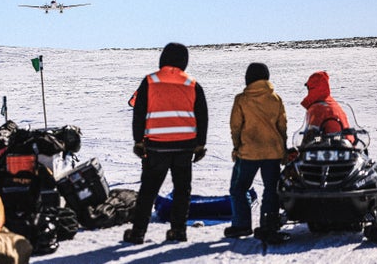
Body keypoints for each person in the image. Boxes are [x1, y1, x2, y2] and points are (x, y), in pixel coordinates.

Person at [123, 43, 208, 244]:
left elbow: (139, 113)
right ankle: (178, 231)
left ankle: (138, 233)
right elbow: (202, 116)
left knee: (148, 190)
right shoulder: (192, 84)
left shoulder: (150, 81)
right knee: (182, 190)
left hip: (156, 146)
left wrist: (138, 141)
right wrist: (200, 144)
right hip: (185, 146)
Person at [224, 63, 290, 244]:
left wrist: (237, 147)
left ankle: (241, 224)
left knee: (239, 188)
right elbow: (282, 126)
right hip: (273, 152)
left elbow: (235, 126)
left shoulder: (242, 99)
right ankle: (269, 224)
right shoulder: (276, 99)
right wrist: (283, 149)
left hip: (248, 153)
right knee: (271, 189)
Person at [300, 71, 350, 141]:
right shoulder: (333, 104)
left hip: (328, 148)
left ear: (312, 88)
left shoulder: (317, 108)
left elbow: (310, 135)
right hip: (346, 146)